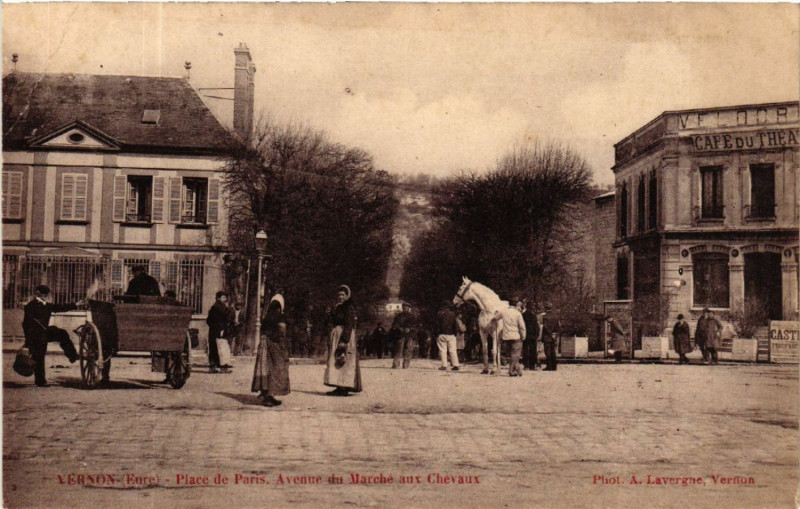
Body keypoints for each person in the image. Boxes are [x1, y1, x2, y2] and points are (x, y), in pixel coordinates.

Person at [22, 285, 81, 387]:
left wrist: (75, 304)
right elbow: (25, 324)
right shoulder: (30, 306)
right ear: (38, 294)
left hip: (45, 331)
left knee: (62, 333)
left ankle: (72, 355)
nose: (45, 296)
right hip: (36, 335)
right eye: (44, 294)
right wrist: (28, 341)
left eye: (46, 294)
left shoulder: (47, 305)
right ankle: (40, 382)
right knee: (39, 356)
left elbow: (60, 307)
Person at [251, 294, 290, 407]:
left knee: (265, 369)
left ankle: (267, 395)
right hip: (273, 345)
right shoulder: (280, 316)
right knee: (275, 369)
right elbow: (281, 332)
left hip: (264, 345)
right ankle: (267, 396)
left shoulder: (267, 316)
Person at [324, 285, 362, 396]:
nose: (340, 297)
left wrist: (344, 340)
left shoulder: (348, 307)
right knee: (336, 360)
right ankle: (339, 386)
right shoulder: (338, 307)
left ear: (347, 296)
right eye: (339, 295)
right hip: (337, 335)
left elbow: (349, 325)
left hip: (345, 335)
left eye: (343, 295)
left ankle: (344, 387)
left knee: (344, 359)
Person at [498, 297, 526, 377]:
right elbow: (522, 326)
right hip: (515, 336)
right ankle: (511, 371)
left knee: (512, 354)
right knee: (516, 354)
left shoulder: (504, 312)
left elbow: (496, 318)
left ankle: (518, 371)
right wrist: (523, 336)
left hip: (506, 337)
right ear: (516, 304)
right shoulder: (517, 313)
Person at [206, 291, 233, 373]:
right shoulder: (218, 308)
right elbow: (224, 318)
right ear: (218, 298)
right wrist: (220, 328)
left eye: (225, 297)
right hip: (219, 330)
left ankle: (214, 367)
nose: (225, 299)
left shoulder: (217, 307)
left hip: (215, 330)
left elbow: (208, 321)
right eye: (223, 297)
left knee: (215, 349)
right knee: (221, 348)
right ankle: (222, 368)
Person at [435, 301, 461, 371]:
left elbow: (437, 325)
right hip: (451, 334)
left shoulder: (439, 314)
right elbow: (455, 325)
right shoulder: (452, 314)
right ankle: (456, 365)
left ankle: (444, 365)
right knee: (453, 350)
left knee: (443, 350)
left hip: (442, 334)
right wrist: (455, 333)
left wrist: (437, 334)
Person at [521, 299, 541, 370]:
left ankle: (526, 365)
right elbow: (536, 326)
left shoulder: (523, 315)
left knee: (525, 350)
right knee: (533, 350)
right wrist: (537, 334)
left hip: (525, 335)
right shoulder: (533, 316)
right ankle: (532, 365)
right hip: (532, 335)